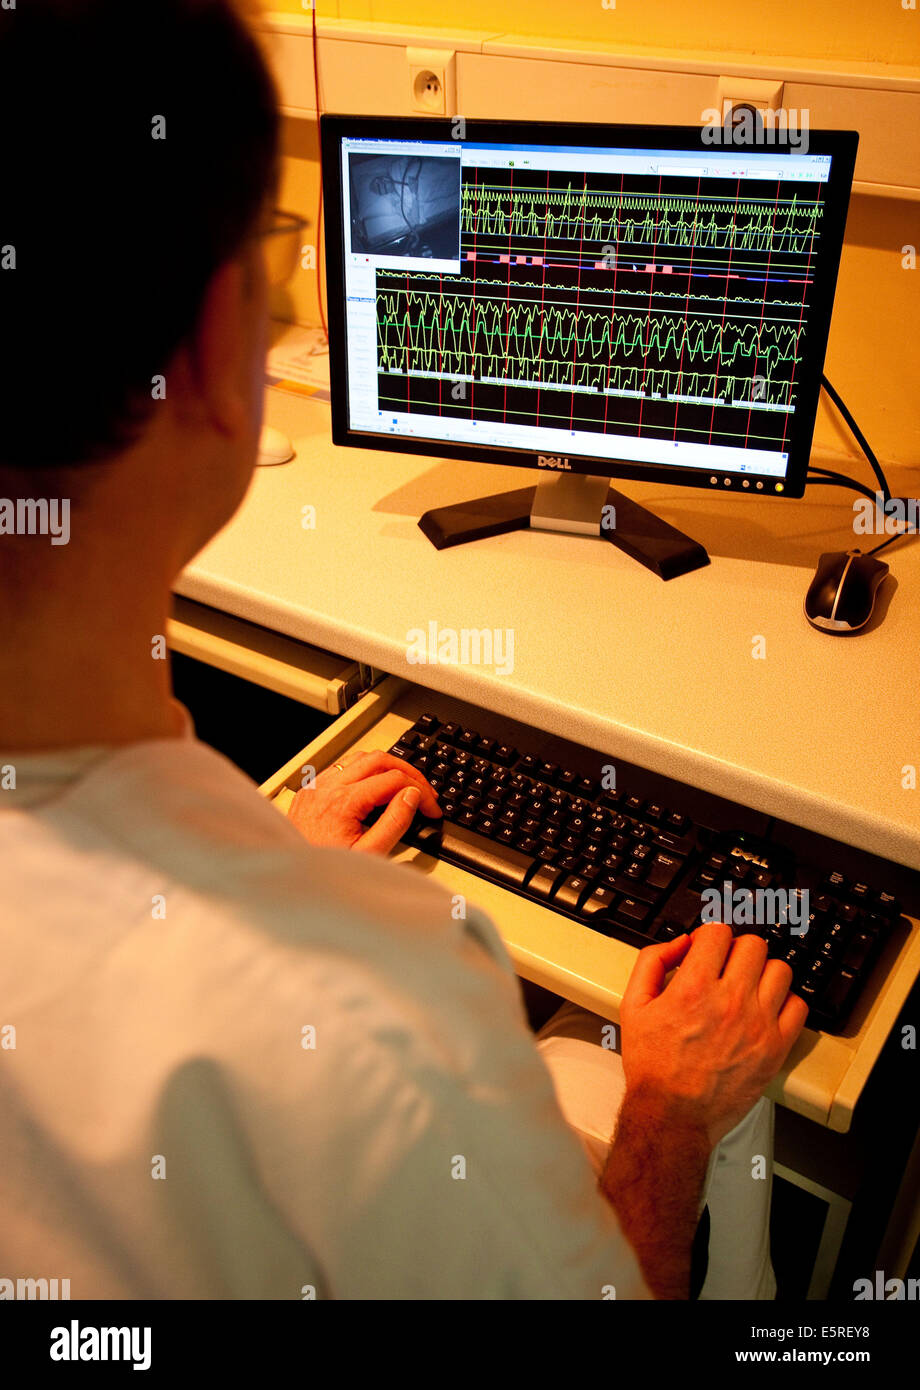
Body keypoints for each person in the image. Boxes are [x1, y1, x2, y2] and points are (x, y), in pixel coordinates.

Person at [0, 0, 807, 1300]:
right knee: (644, 1076)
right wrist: (672, 1108)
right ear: (218, 345)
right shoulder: (377, 1009)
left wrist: (266, 858)